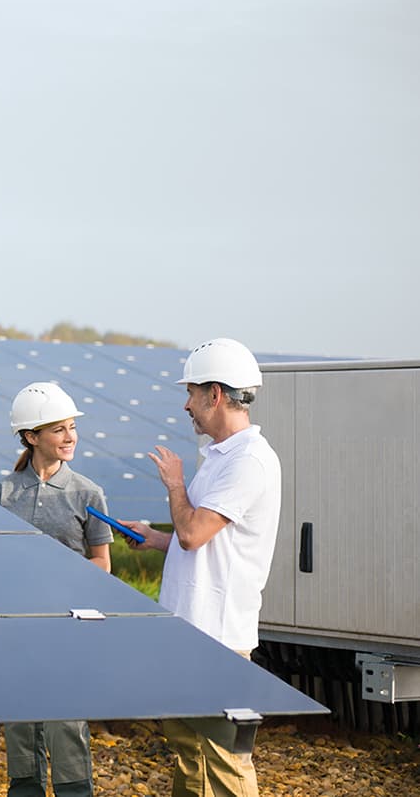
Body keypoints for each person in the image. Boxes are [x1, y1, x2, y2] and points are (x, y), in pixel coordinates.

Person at [121, 338, 281, 797]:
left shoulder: (248, 462)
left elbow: (194, 532)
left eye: (191, 393)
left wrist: (174, 485)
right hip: (190, 631)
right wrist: (156, 540)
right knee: (190, 756)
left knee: (225, 763)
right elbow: (205, 543)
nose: (186, 404)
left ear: (214, 394)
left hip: (218, 639)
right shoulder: (219, 457)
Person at [0, 381, 113, 797]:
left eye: (72, 427)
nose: (70, 436)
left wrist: (59, 587)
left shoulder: (87, 493)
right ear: (31, 436)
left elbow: (102, 565)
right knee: (22, 726)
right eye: (59, 429)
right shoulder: (2, 494)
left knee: (66, 724)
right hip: (18, 628)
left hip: (68, 628)